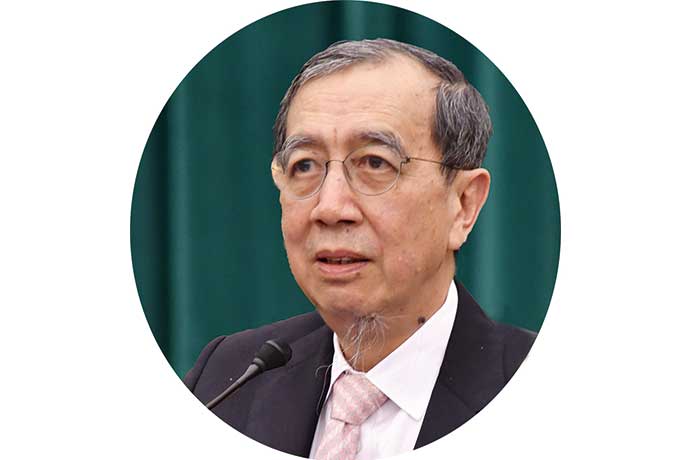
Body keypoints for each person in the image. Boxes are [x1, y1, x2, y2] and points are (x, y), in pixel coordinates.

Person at [184, 38, 536, 459]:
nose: (330, 208)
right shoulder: (227, 378)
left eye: (374, 163)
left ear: (463, 204)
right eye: (304, 165)